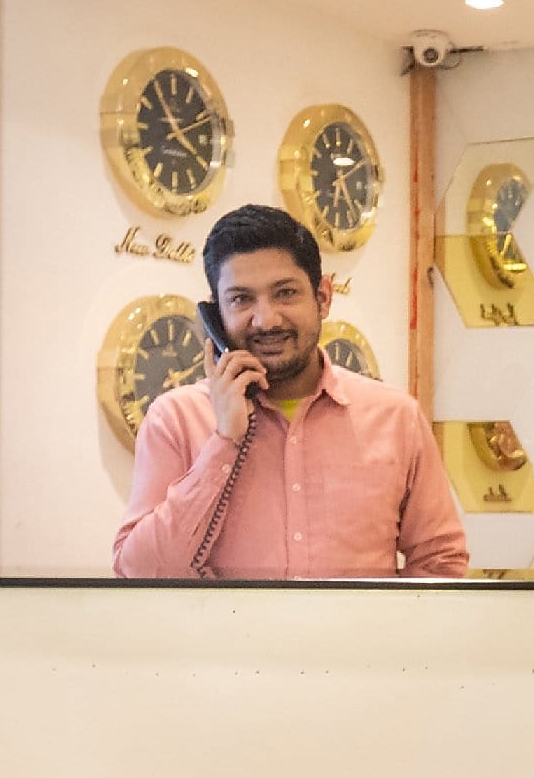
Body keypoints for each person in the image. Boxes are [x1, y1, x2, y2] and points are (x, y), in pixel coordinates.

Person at [113, 204, 467, 579]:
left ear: (323, 297)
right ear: (216, 314)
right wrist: (224, 442)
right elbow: (138, 573)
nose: (266, 320)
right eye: (241, 299)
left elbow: (440, 563)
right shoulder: (175, 419)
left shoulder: (396, 417)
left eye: (285, 293)